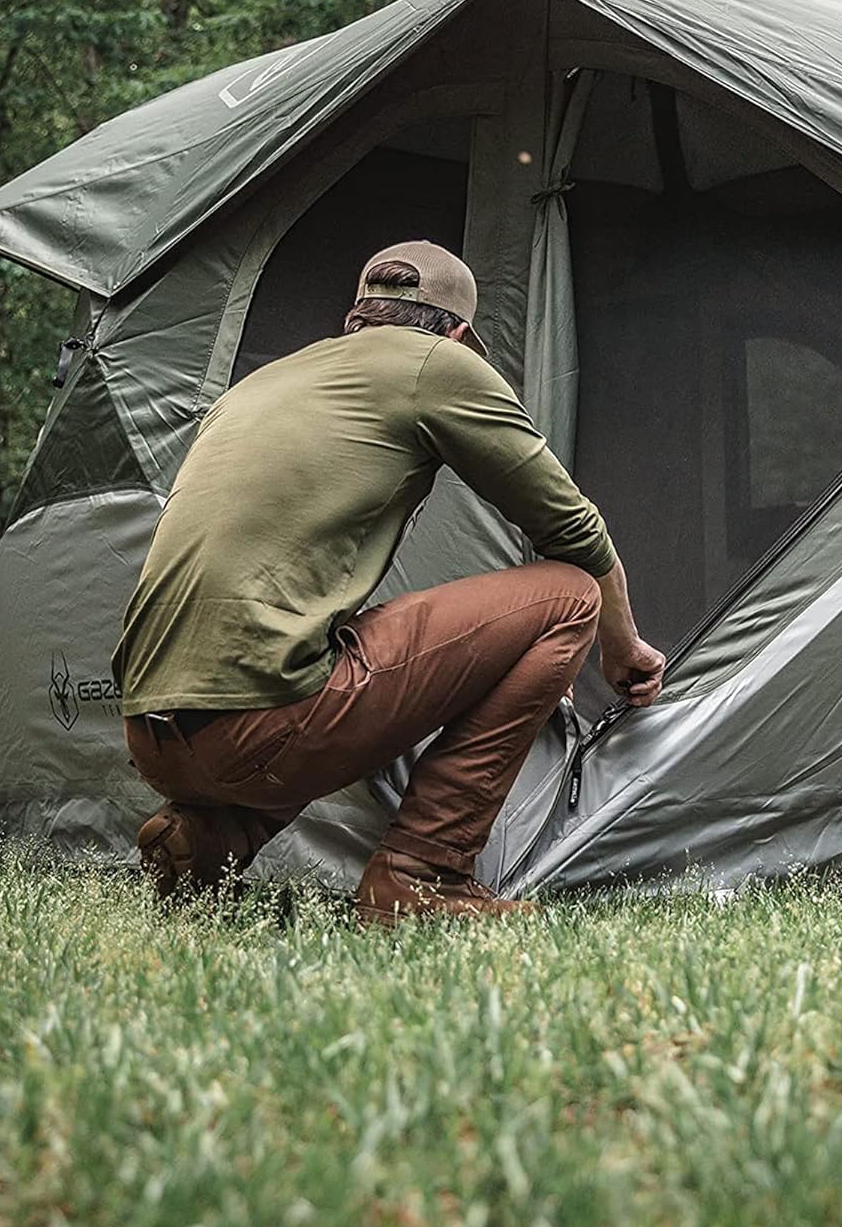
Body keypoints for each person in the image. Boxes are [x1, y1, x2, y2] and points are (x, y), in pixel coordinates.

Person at [112, 240, 664, 925]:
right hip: (262, 732)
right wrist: (622, 646)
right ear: (457, 335)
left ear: (359, 319)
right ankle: (421, 874)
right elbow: (572, 528)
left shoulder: (261, 383)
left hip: (151, 734)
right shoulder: (437, 364)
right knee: (568, 598)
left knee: (324, 649)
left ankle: (211, 837)